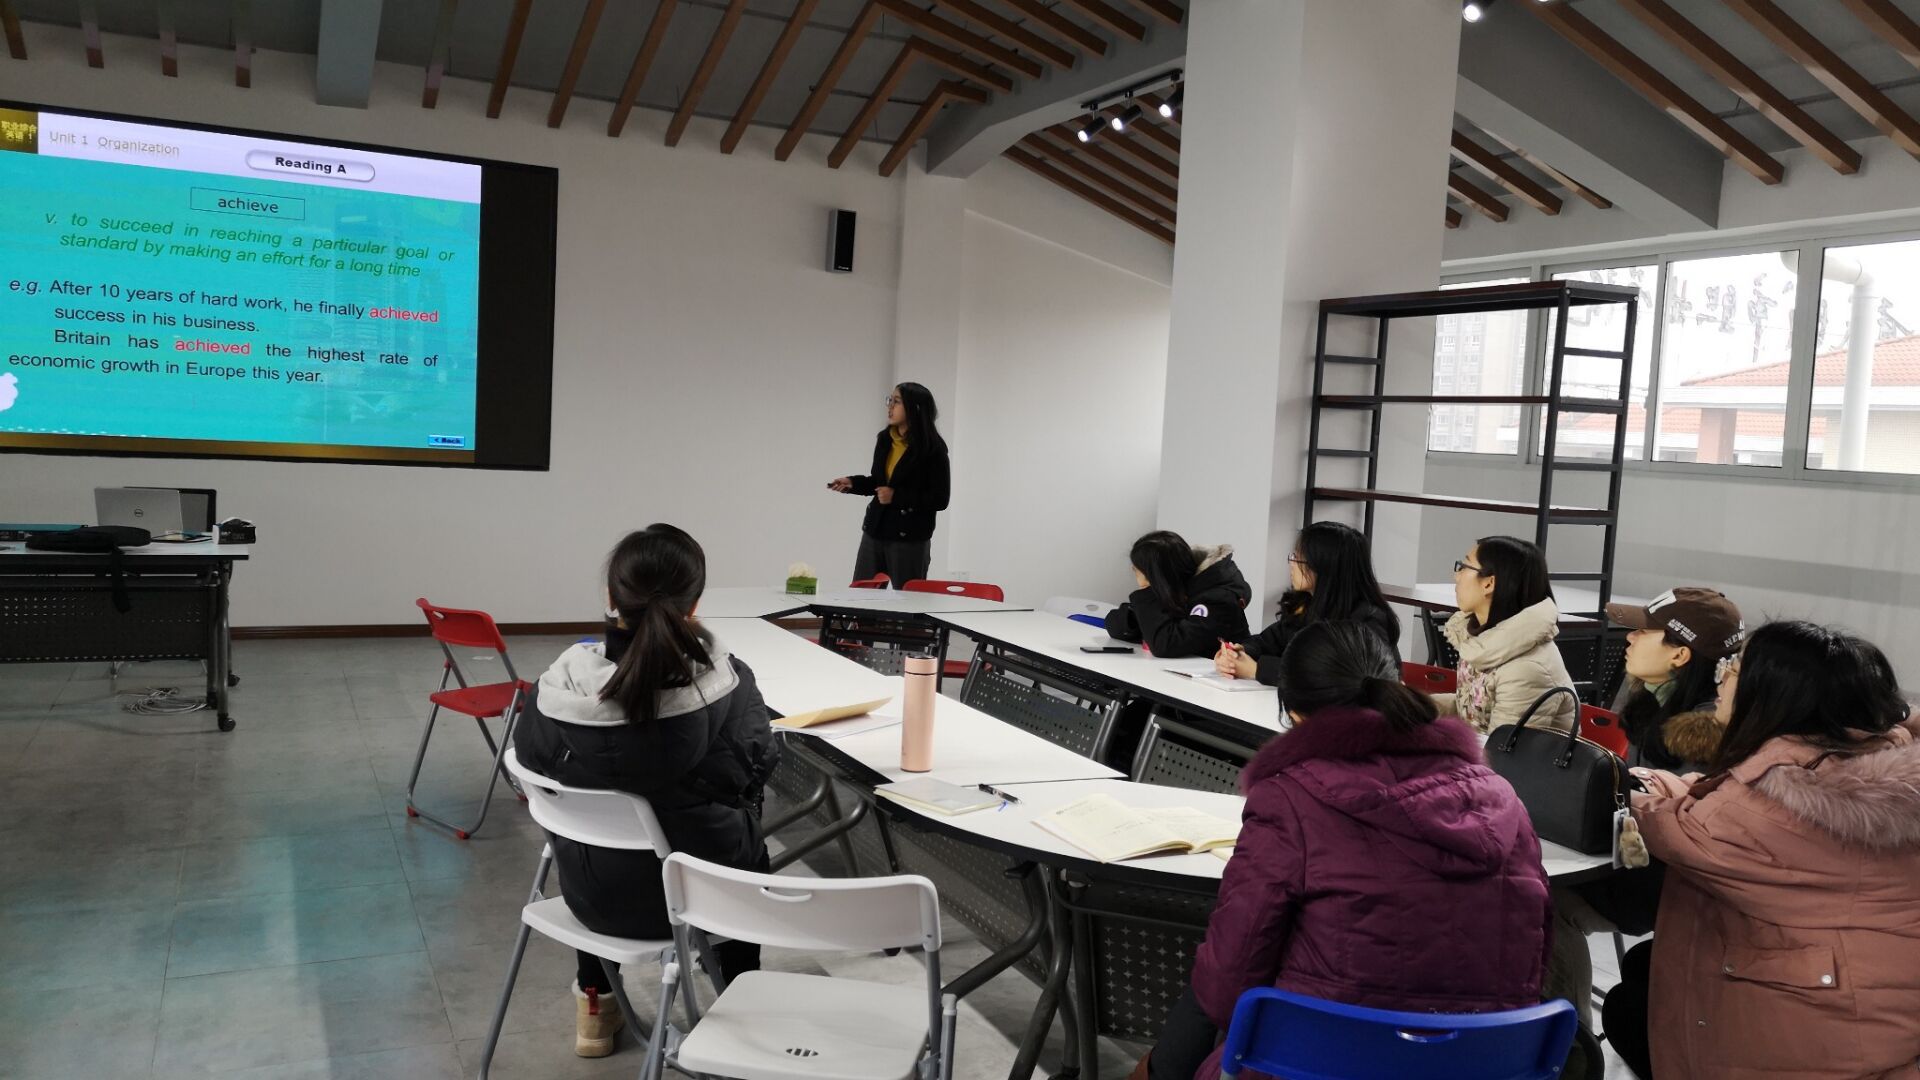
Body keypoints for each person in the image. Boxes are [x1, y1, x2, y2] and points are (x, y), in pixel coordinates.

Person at [1134, 621, 1552, 1080]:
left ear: (1293, 713)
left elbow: (1227, 988)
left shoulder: (1289, 801)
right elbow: (1537, 954)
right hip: (1483, 1065)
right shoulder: (1503, 800)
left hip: (1320, 1063)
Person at [515, 525, 781, 1058]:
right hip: (705, 903)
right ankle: (740, 1006)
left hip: (593, 900)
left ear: (611, 598)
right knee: (744, 840)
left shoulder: (556, 692)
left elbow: (531, 762)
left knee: (598, 842)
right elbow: (755, 773)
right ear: (695, 605)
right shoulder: (729, 684)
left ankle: (595, 1005)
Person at [1627, 621, 1920, 1080]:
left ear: (1774, 695)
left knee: (1631, 1002)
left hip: (1822, 1039)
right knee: (1637, 980)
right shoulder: (1867, 766)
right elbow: (1726, 802)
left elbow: (1680, 828)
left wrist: (1623, 789)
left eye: (1735, 667)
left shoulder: (1752, 812)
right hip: (1882, 1014)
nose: (1722, 677)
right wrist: (1664, 784)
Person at [1213, 521, 1400, 687]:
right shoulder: (1306, 604)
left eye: (1298, 558)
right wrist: (1238, 653)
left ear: (1324, 567)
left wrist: (1257, 670)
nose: (1291, 563)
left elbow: (1335, 678)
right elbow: (1267, 641)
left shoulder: (1367, 621)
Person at [1429, 535, 1574, 733]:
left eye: (1464, 566)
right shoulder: (1484, 639)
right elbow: (1474, 711)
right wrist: (1411, 704)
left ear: (1489, 583)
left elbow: (1503, 749)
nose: (1456, 575)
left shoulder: (1527, 669)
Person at [1606, 587, 1745, 773]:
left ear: (1679, 656)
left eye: (1644, 631)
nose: (1630, 636)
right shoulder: (1654, 701)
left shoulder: (1703, 739)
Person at [828, 382, 950, 589]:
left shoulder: (933, 449)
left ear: (915, 408)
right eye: (889, 400)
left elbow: (940, 499)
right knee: (861, 597)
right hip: (875, 530)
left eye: (897, 401)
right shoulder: (885, 439)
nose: (890, 406)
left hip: (909, 538)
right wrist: (853, 483)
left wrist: (896, 496)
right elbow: (879, 483)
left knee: (908, 600)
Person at [1103, 530, 1251, 658]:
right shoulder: (1179, 587)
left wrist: (1147, 589)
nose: (1134, 573)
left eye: (1137, 570)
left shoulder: (1217, 600)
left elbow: (1166, 644)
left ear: (1155, 576)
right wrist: (1136, 620)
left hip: (1221, 678)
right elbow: (1114, 625)